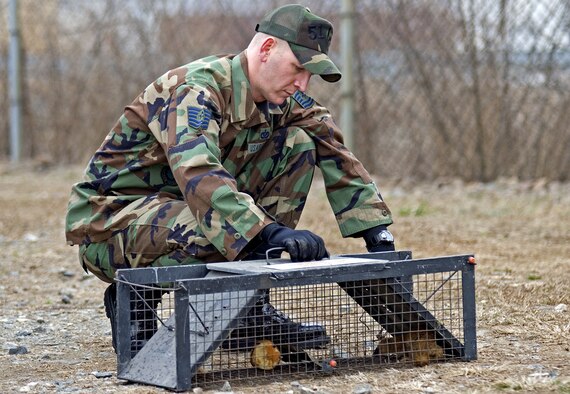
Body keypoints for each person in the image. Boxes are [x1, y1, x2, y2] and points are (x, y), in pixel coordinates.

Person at [65, 4, 395, 353]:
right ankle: (134, 296)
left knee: (298, 143)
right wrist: (269, 233)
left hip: (177, 212)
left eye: (310, 74)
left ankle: (248, 310)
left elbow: (332, 145)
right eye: (298, 68)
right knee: (223, 229)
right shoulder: (196, 89)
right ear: (267, 49)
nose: (303, 83)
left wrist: (377, 233)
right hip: (113, 223)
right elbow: (198, 171)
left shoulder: (283, 96)